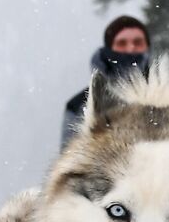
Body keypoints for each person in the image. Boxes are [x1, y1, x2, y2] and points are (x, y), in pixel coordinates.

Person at [60, 14, 151, 147]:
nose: (130, 48)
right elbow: (68, 156)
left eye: (137, 43)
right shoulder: (78, 105)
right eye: (122, 43)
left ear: (148, 48)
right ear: (109, 49)